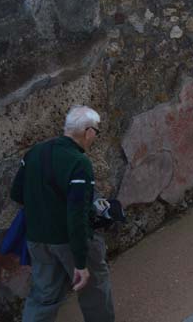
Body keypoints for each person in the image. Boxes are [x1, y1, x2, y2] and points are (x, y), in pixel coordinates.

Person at [10, 106, 115, 322]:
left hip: (37, 239)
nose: (95, 136)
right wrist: (80, 263)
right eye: (96, 130)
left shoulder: (34, 153)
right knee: (93, 288)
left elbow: (16, 193)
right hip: (68, 241)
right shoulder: (79, 163)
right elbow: (77, 215)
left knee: (43, 295)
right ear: (88, 131)